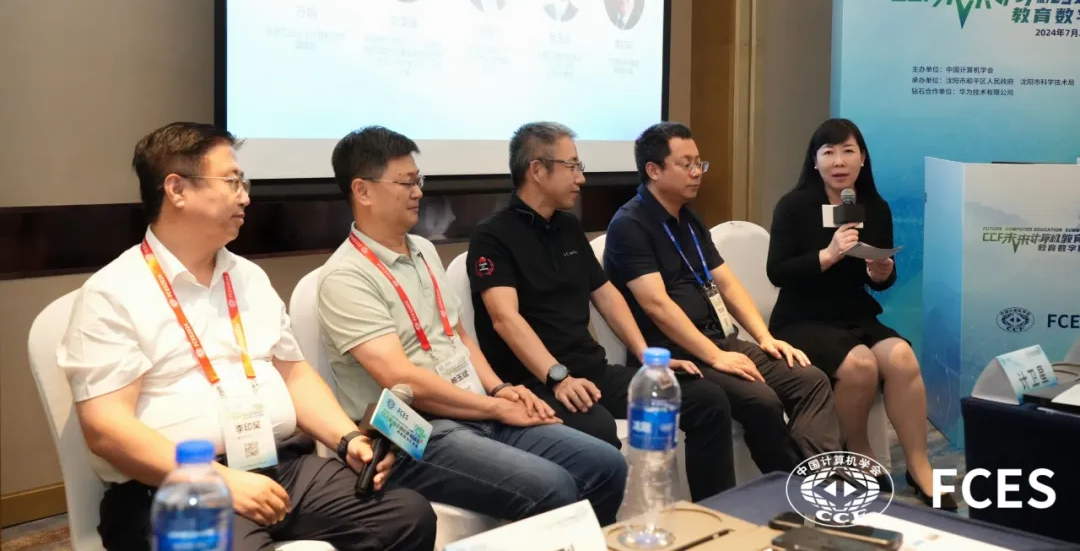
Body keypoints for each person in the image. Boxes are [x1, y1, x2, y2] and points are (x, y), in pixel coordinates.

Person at [58, 123, 436, 551]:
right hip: (172, 489)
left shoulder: (247, 276)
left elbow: (294, 375)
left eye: (244, 183)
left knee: (407, 516)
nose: (245, 197)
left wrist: (347, 440)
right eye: (232, 182)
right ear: (177, 189)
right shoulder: (112, 292)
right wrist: (219, 481)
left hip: (275, 466)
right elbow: (106, 428)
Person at [317, 126, 626, 525]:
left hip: (476, 408)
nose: (418, 193)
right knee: (554, 486)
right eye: (406, 183)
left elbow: (458, 335)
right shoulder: (345, 277)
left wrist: (499, 389)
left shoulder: (423, 249)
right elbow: (401, 378)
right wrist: (494, 407)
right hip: (417, 434)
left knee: (606, 464)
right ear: (362, 191)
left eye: (418, 180)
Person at [467, 122, 737, 500]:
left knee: (706, 399)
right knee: (598, 429)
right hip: (535, 382)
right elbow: (505, 319)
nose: (581, 178)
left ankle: (717, 512)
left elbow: (606, 294)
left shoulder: (567, 226)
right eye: (572, 166)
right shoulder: (492, 236)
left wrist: (646, 356)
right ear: (537, 170)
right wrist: (558, 377)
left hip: (591, 371)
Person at [604, 122, 841, 476]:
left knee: (810, 380)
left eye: (699, 163)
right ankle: (789, 488)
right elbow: (657, 305)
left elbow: (727, 285)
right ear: (653, 170)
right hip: (676, 354)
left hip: (721, 340)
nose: (696, 172)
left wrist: (764, 337)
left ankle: (820, 476)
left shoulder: (689, 219)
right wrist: (716, 356)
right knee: (761, 399)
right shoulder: (630, 225)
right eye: (685, 164)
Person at [766, 118, 957, 510]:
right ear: (815, 160)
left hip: (853, 313)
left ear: (863, 158)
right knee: (860, 366)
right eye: (829, 152)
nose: (839, 161)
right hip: (801, 318)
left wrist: (880, 272)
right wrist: (829, 254)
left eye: (848, 151)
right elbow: (777, 272)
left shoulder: (874, 208)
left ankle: (919, 467)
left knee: (902, 358)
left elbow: (880, 279)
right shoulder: (794, 206)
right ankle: (857, 452)